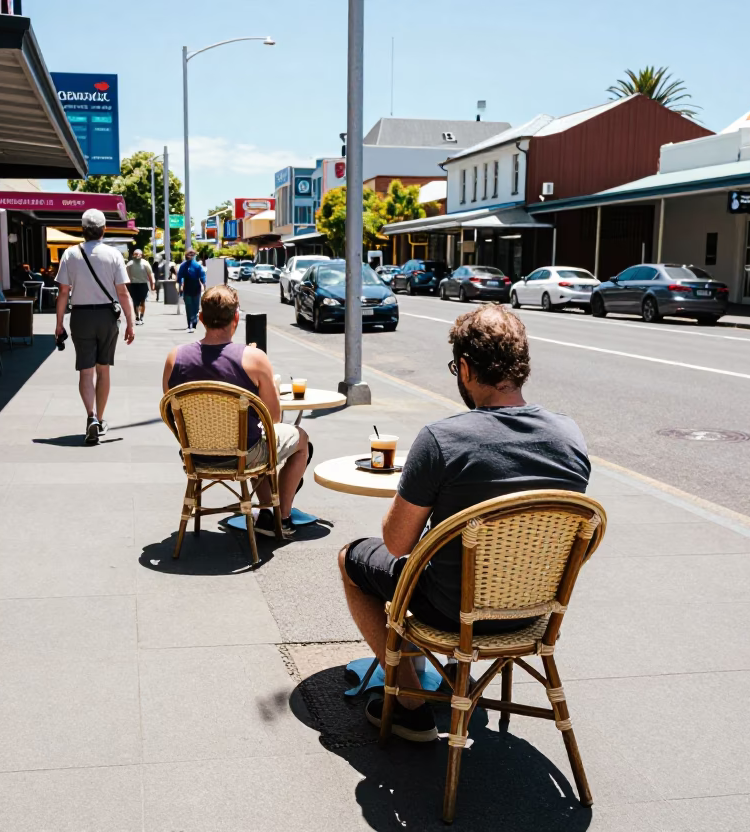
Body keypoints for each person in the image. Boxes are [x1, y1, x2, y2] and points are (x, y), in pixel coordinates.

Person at [338, 305, 591, 742]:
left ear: (467, 368)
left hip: (453, 612)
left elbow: (397, 544)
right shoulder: (570, 437)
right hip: (534, 611)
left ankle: (411, 705)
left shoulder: (442, 439)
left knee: (351, 559)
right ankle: (460, 676)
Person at [162, 285, 309, 537]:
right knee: (299, 439)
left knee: (251, 438)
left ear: (200, 319)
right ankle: (280, 517)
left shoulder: (175, 357)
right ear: (236, 318)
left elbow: (173, 412)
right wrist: (271, 385)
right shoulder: (254, 358)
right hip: (244, 456)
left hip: (195, 456)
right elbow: (273, 419)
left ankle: (266, 514)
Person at [55, 208, 136, 445]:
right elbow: (123, 292)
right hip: (107, 317)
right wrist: (131, 323)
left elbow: (63, 292)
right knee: (104, 369)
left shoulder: (70, 254)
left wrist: (59, 324)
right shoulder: (113, 255)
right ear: (104, 230)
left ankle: (90, 416)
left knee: (86, 370)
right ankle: (100, 419)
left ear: (83, 229)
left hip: (80, 316)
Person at [177, 248, 206, 333]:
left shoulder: (197, 266)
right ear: (186, 255)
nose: (190, 255)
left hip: (196, 287)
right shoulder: (183, 265)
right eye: (189, 254)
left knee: (196, 307)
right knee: (188, 306)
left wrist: (204, 284)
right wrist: (181, 285)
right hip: (187, 287)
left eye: (192, 254)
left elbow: (202, 276)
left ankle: (194, 324)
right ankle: (189, 324)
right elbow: (180, 276)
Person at [126, 248, 154, 325]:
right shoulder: (129, 264)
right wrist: (126, 286)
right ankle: (137, 317)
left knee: (142, 301)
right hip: (133, 285)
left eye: (138, 254)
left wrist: (152, 284)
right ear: (133, 255)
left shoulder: (145, 264)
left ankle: (141, 316)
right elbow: (126, 276)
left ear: (141, 255)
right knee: (135, 302)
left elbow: (150, 274)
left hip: (143, 284)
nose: (137, 255)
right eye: (135, 254)